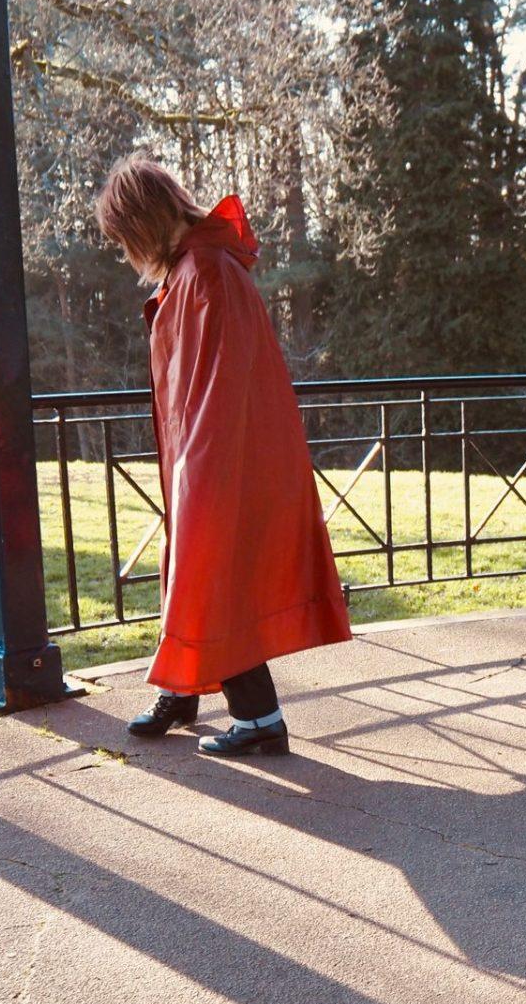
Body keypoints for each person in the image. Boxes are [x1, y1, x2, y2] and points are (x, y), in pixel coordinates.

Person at [94, 155, 351, 756]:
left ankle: (259, 719)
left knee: (216, 574)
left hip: (220, 455)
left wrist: (200, 470)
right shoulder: (195, 267)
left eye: (123, 238)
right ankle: (182, 688)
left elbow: (223, 383)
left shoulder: (206, 270)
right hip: (208, 450)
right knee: (194, 570)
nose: (125, 253)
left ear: (142, 222)